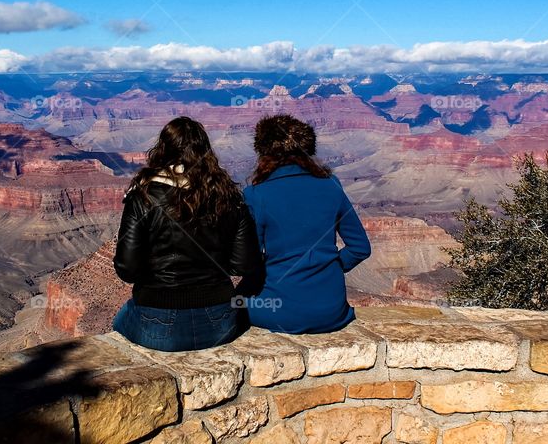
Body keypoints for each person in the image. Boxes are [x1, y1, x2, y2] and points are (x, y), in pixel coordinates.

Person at [112, 116, 262, 351]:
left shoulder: (142, 196)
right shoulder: (229, 196)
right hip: (220, 323)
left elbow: (127, 269)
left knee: (118, 321)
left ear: (163, 149)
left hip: (157, 325)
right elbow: (244, 264)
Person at [240, 114, 371, 333]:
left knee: (231, 305)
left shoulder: (255, 194)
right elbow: (360, 248)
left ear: (264, 153)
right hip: (333, 312)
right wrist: (330, 267)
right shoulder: (331, 185)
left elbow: (249, 260)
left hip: (282, 312)